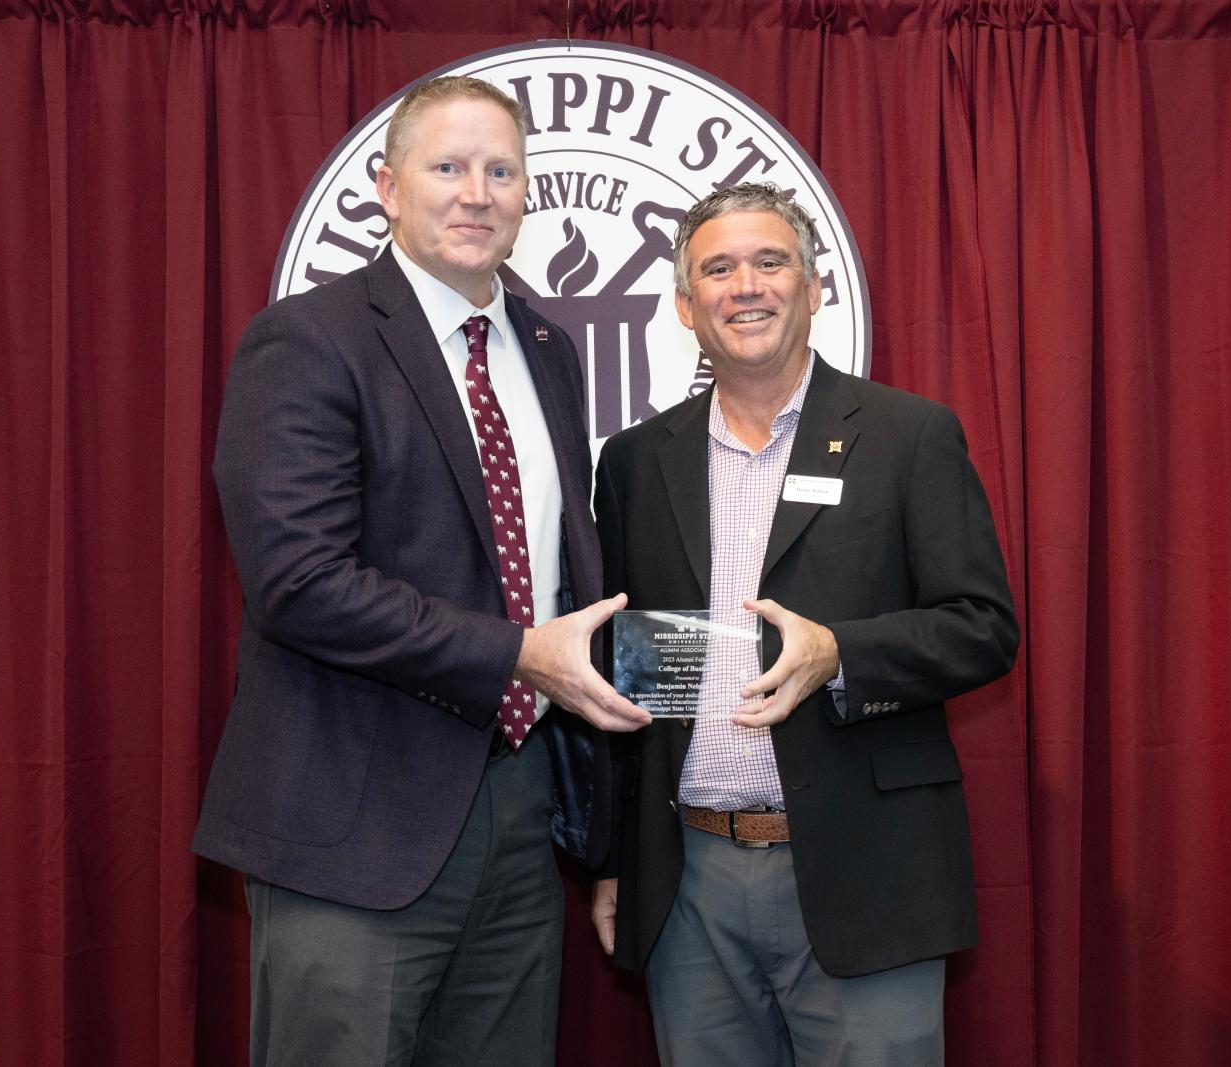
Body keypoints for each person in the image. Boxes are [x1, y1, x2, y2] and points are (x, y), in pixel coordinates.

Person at [192, 75, 650, 1066]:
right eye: (447, 166)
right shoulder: (310, 339)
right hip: (352, 820)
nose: (475, 192)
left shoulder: (547, 349)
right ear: (387, 186)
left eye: (500, 170)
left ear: (528, 194)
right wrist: (521, 655)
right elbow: (299, 581)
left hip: (522, 818)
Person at [591, 183, 1018, 1065]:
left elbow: (983, 625)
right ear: (685, 305)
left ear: (815, 287)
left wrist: (839, 654)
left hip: (868, 875)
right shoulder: (634, 461)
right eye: (718, 268)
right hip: (689, 885)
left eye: (769, 261)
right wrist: (611, 859)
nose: (746, 285)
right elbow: (621, 666)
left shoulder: (909, 436)